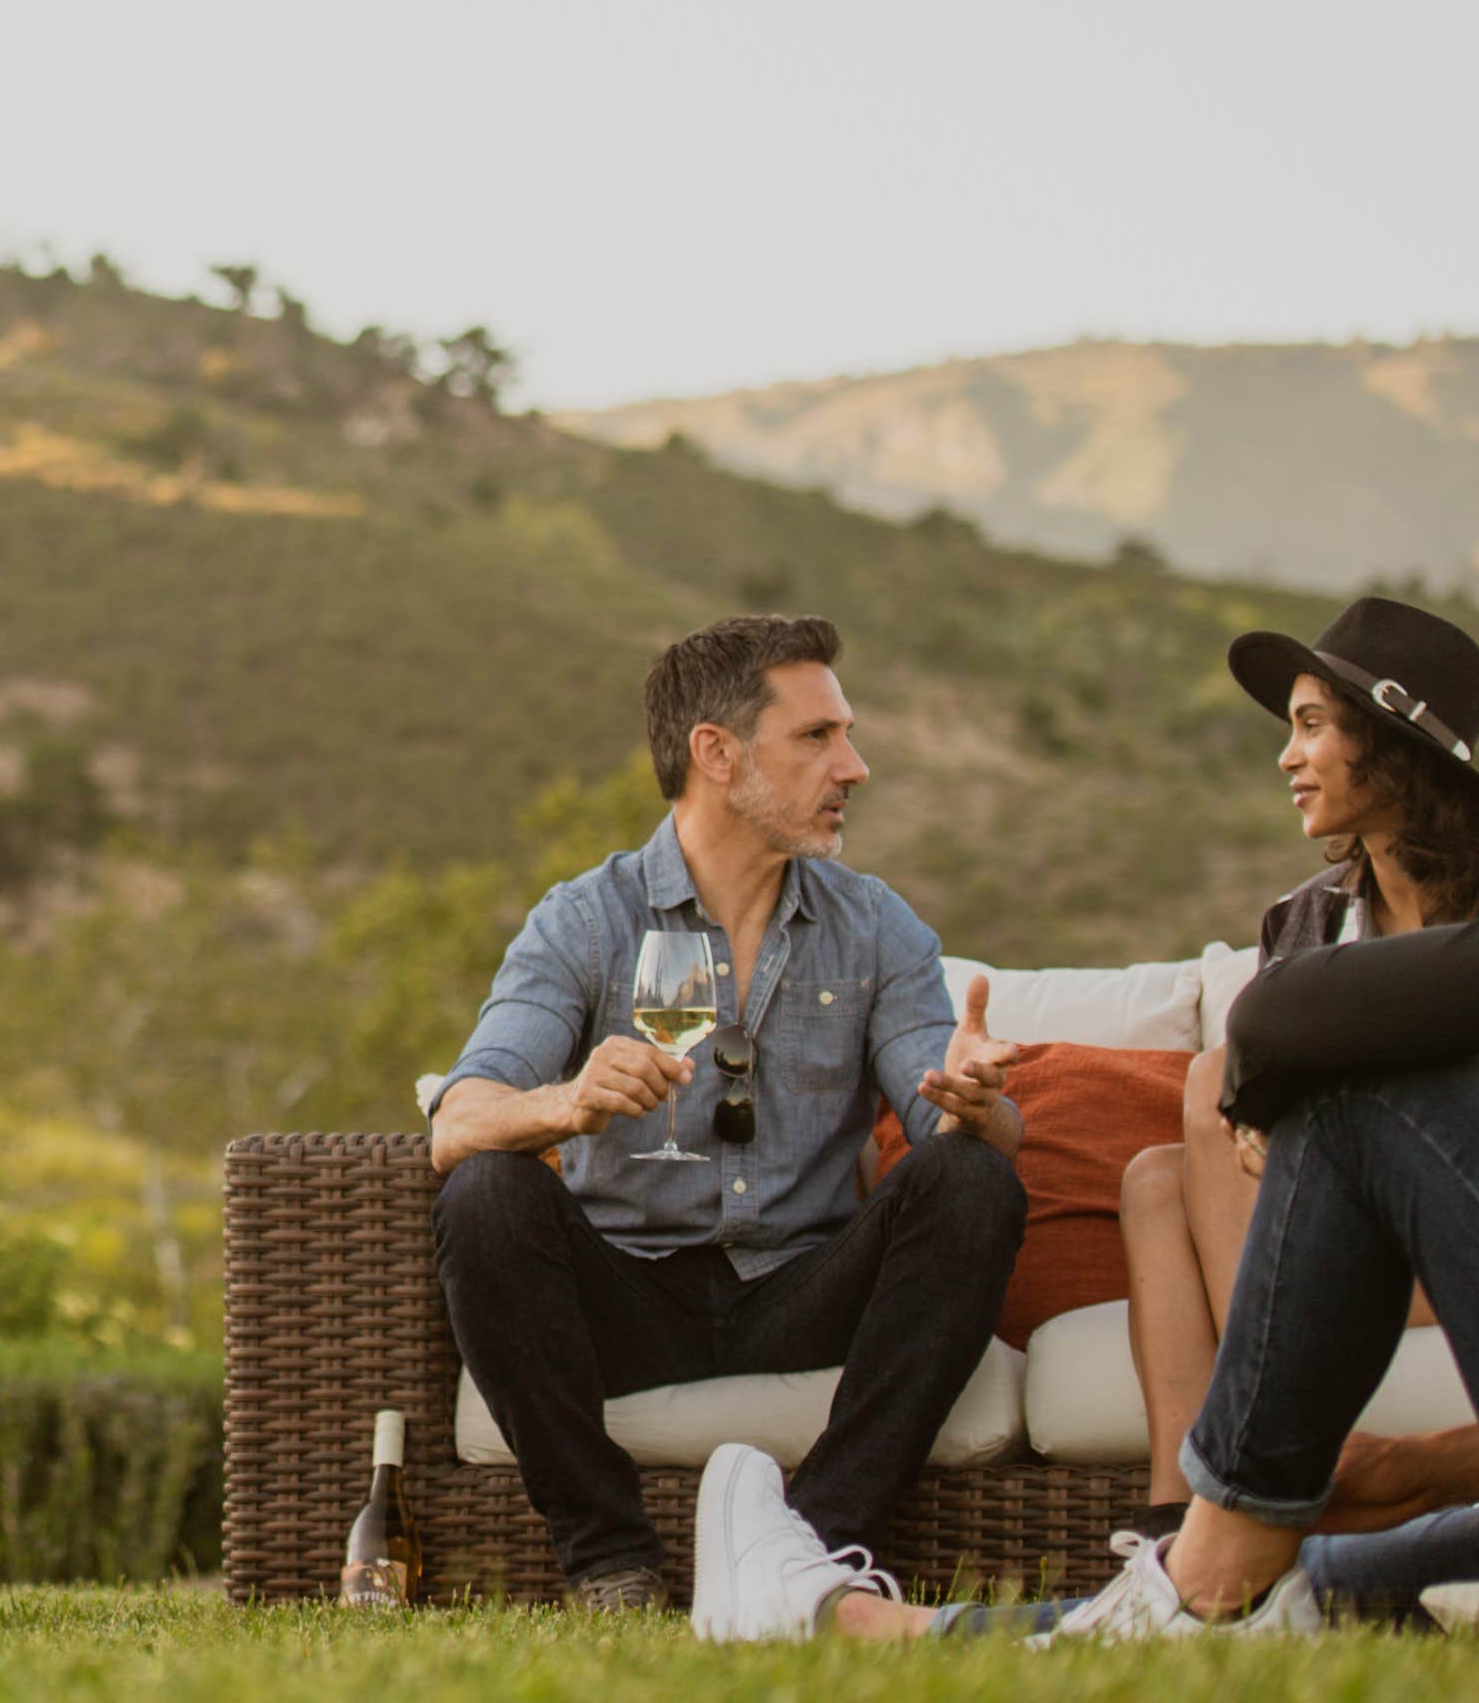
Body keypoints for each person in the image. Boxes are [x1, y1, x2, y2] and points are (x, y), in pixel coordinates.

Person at [698, 552, 1479, 1640]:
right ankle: (871, 1623)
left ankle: (1202, 1556)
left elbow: (1301, 1015)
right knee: (1322, 1597)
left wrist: (1260, 1096)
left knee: (1370, 1088)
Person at [420, 615, 1027, 1610]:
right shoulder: (583, 919)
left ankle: (814, 1545)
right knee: (485, 1191)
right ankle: (608, 1560)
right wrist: (566, 1100)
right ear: (715, 750)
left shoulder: (876, 925)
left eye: (846, 734)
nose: (854, 765)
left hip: (801, 1286)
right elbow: (457, 1119)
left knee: (971, 1178)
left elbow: (954, 1127)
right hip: (628, 1291)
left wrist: (977, 1103)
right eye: (817, 736)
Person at [1110, 596, 1479, 1536]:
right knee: (1152, 1179)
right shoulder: (1298, 927)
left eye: (1309, 727)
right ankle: (1176, 1523)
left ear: (1389, 746)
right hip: (1343, 1239)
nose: (1285, 757)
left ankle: (1252, 1481)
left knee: (1208, 1077)